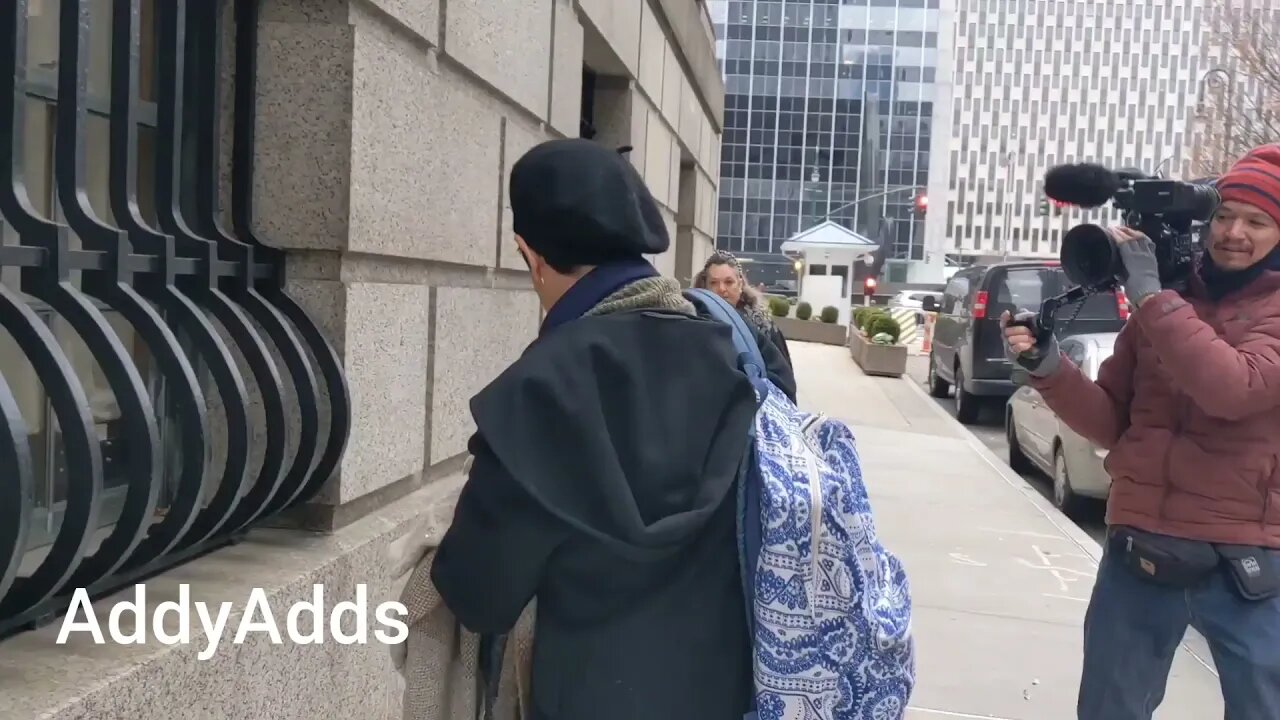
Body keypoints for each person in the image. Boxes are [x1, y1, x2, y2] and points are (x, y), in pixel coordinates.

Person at [430, 138, 796, 720]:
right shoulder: (732, 357)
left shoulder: (541, 389)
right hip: (726, 693)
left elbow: (481, 593)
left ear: (532, 254)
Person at [1002, 143, 1280, 720]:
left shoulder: (1179, 305)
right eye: (1224, 216)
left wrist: (1153, 297)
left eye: (1257, 222)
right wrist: (1050, 368)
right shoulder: (1171, 304)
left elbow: (1233, 388)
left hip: (1243, 560)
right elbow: (1114, 422)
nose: (1234, 233)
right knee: (1107, 709)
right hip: (1141, 543)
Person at [693, 251, 793, 365]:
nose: (721, 289)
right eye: (713, 283)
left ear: (740, 285)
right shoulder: (694, 321)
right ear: (705, 286)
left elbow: (783, 373)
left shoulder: (762, 325)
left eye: (729, 282)